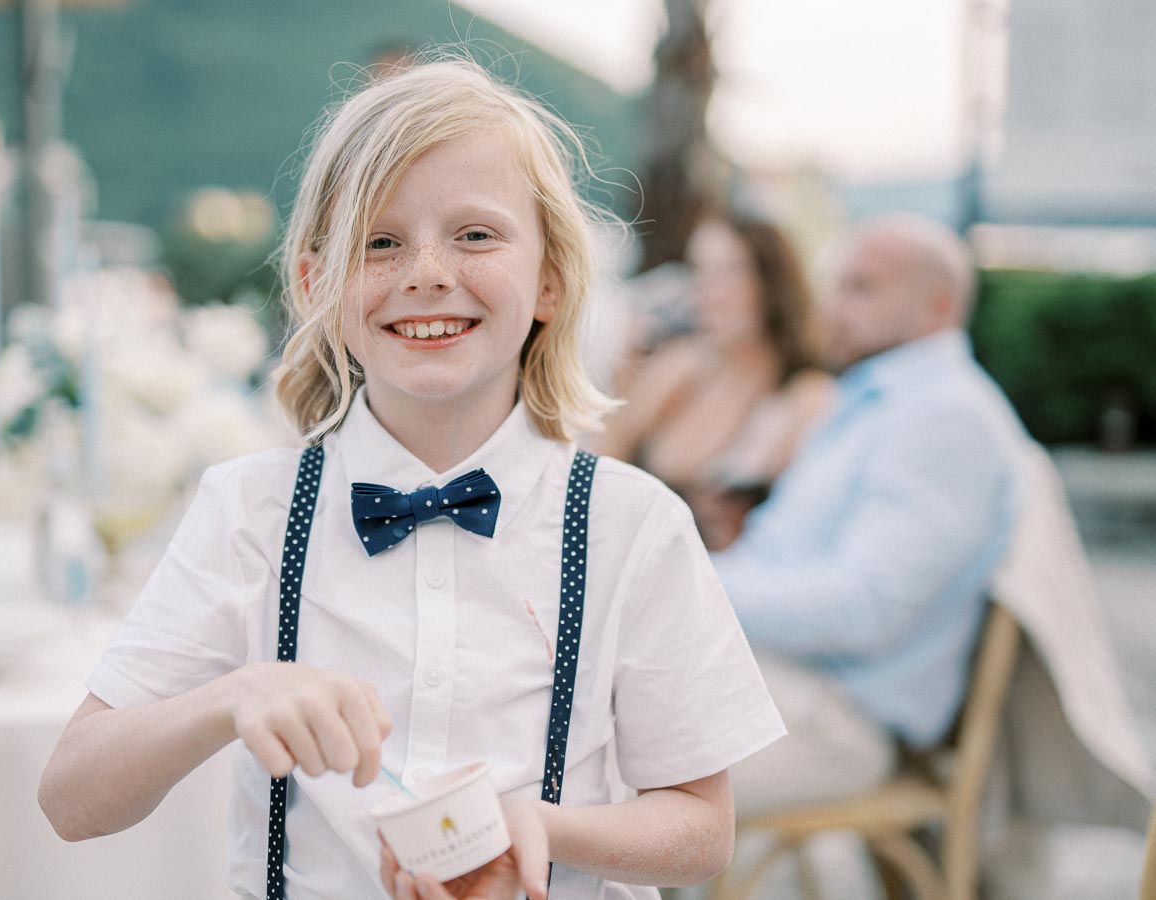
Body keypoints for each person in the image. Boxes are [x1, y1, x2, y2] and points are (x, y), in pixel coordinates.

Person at [39, 58, 785, 900]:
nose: (426, 271)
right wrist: (229, 698)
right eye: (380, 242)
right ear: (319, 283)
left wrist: (540, 827)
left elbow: (700, 830)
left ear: (550, 278)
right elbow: (72, 798)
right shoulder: (250, 511)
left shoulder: (634, 524)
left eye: (475, 235)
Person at [711, 214, 1028, 813]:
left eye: (861, 287)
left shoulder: (946, 419)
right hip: (780, 681)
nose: (832, 305)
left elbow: (864, 610)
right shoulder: (879, 399)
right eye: (834, 285)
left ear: (937, 306)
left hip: (838, 720)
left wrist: (695, 586)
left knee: (577, 761)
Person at [595, 215, 833, 549]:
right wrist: (621, 382)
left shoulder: (804, 395)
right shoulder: (681, 366)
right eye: (700, 271)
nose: (708, 290)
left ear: (773, 281)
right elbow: (595, 468)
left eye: (730, 271)